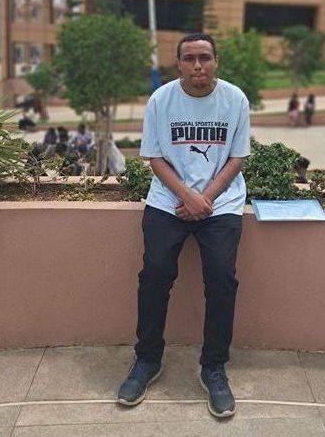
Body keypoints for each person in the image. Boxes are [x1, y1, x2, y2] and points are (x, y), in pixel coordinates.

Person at [117, 33, 250, 419]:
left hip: (221, 202)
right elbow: (155, 158)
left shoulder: (235, 99)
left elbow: (237, 158)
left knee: (222, 280)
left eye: (204, 57)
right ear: (178, 64)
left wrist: (204, 198)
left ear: (216, 61)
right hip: (167, 200)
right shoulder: (161, 100)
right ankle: (147, 359)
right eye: (189, 58)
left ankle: (214, 367)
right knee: (155, 275)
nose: (197, 66)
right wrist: (187, 197)